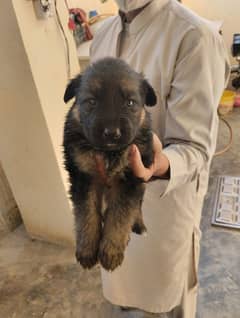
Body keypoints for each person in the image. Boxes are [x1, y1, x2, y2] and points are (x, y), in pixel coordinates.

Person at [90, 1, 230, 317]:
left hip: (162, 214)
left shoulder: (191, 36)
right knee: (120, 294)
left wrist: (158, 164)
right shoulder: (103, 36)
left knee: (165, 302)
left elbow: (195, 148)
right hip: (113, 209)